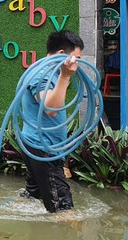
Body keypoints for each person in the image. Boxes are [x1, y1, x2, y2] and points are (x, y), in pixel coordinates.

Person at [19, 30, 84, 213]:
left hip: (40, 145)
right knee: (63, 208)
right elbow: (50, 109)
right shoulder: (42, 75)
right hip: (43, 148)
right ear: (62, 55)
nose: (78, 63)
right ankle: (63, 238)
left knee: (33, 196)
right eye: (76, 58)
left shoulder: (49, 71)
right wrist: (65, 76)